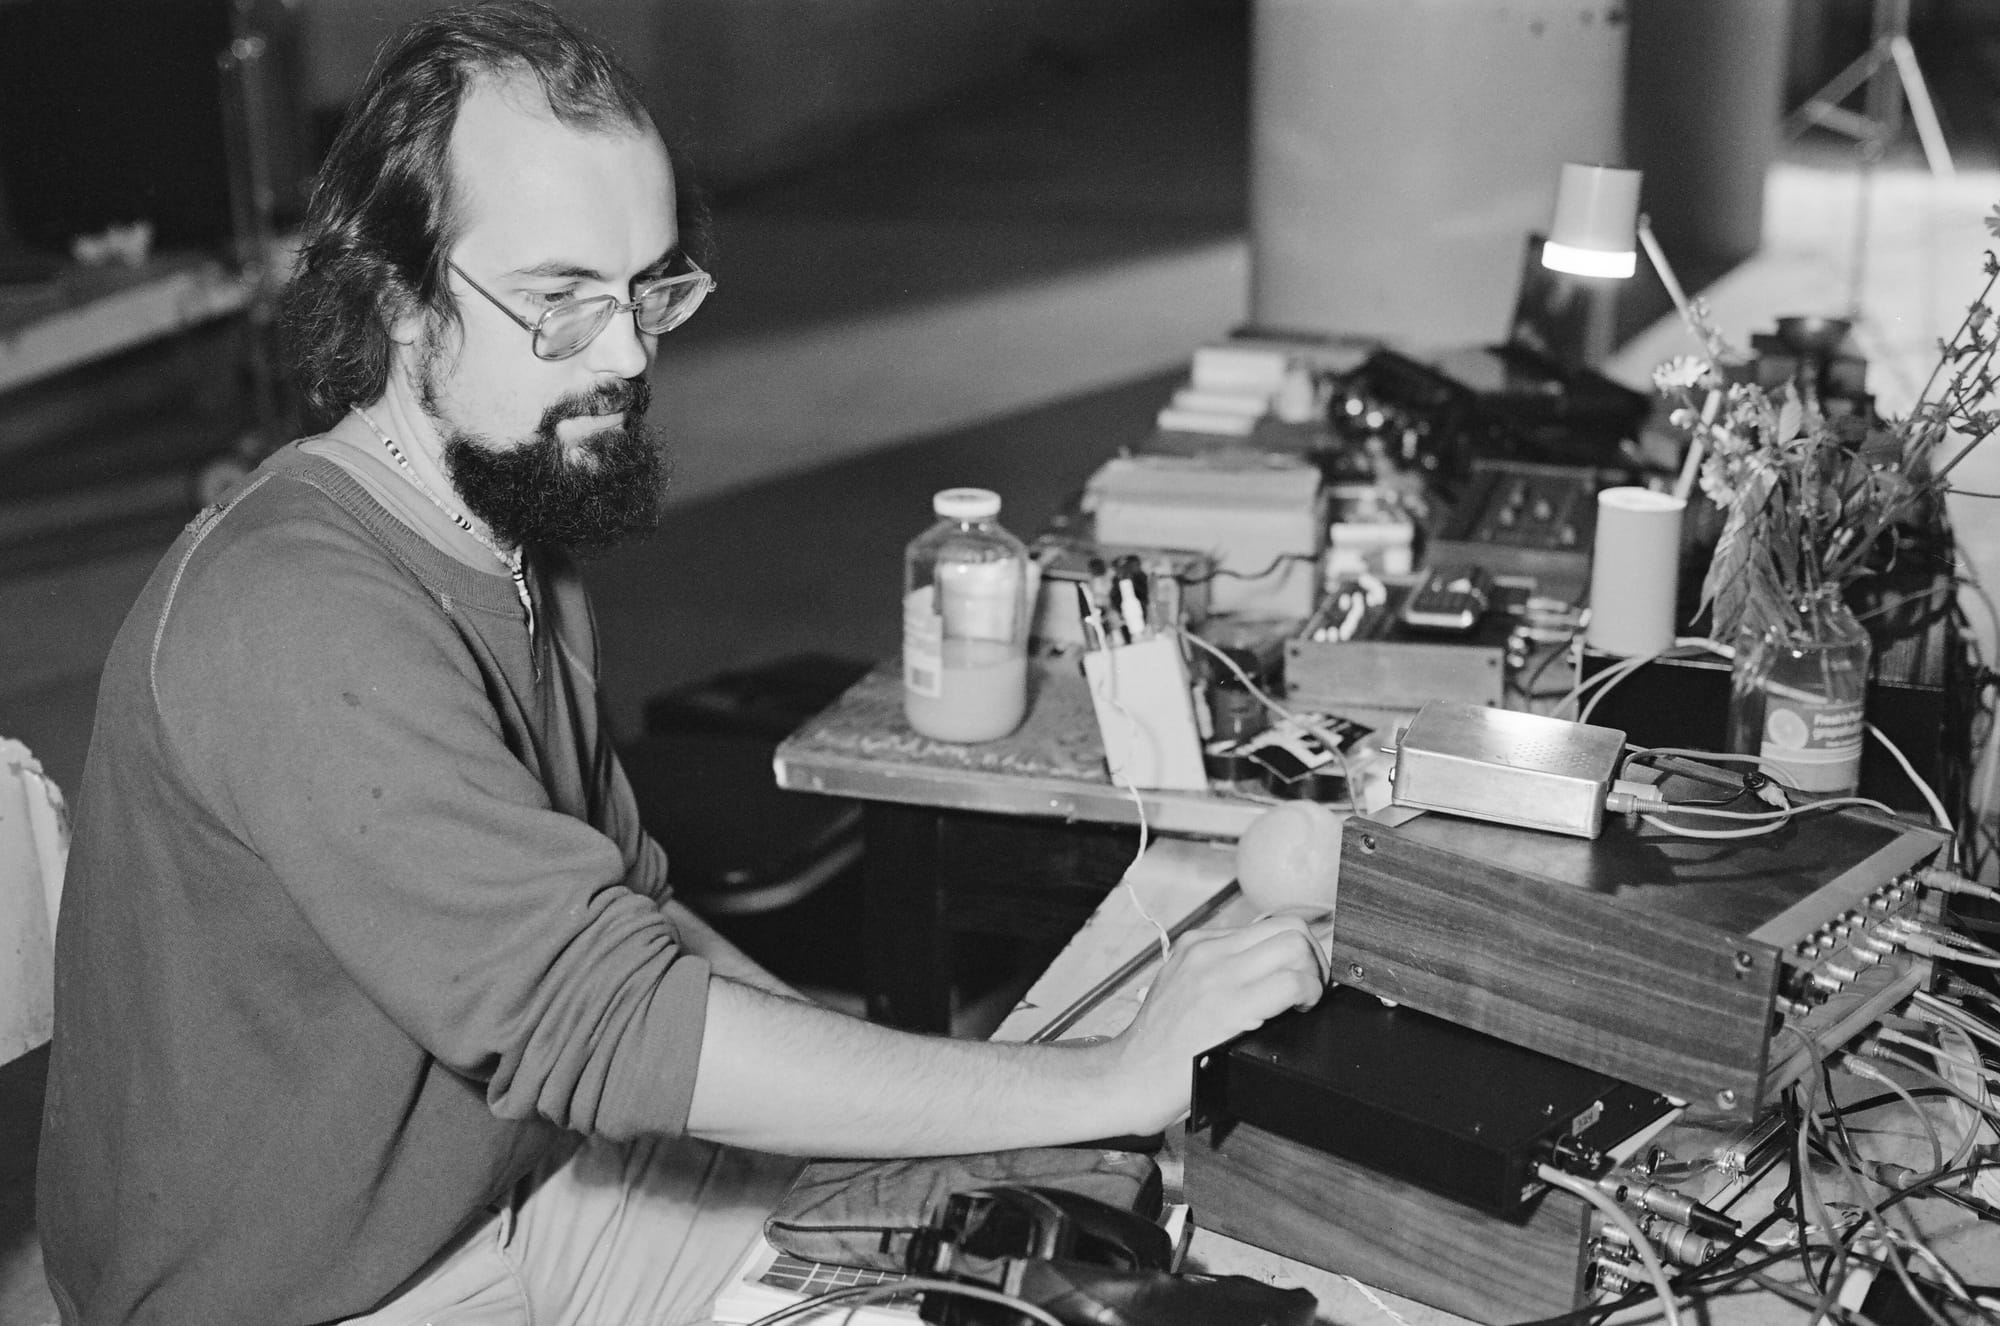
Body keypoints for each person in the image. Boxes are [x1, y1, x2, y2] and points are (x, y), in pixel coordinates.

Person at [35, 4, 1328, 1322]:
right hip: (300, 1292)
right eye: (559, 299)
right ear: (399, 298)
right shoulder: (298, 616)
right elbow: (607, 1020)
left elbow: (633, 919)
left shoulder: (514, 531)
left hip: (508, 1173)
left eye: (649, 288)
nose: (627, 354)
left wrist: (937, 1117)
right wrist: (1100, 1077)